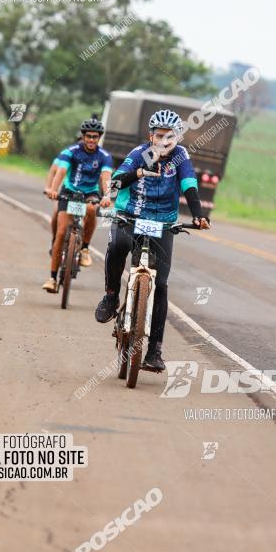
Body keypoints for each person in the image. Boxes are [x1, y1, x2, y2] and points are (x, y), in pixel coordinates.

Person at [94, 109, 210, 371]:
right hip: (131, 214)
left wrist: (198, 215)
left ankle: (155, 351)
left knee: (162, 285)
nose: (165, 141)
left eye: (171, 136)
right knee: (118, 245)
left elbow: (189, 185)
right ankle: (111, 296)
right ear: (151, 136)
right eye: (160, 136)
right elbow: (115, 182)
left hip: (164, 222)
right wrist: (137, 174)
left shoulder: (181, 157)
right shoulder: (139, 154)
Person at [42, 116, 112, 292]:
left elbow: (105, 177)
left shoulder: (104, 156)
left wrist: (107, 196)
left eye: (95, 137)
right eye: (88, 136)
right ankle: (52, 278)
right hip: (69, 191)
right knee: (60, 233)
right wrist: (53, 189)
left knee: (91, 209)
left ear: (99, 138)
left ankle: (85, 248)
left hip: (90, 192)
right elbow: (61, 170)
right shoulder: (71, 151)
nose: (91, 140)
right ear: (82, 136)